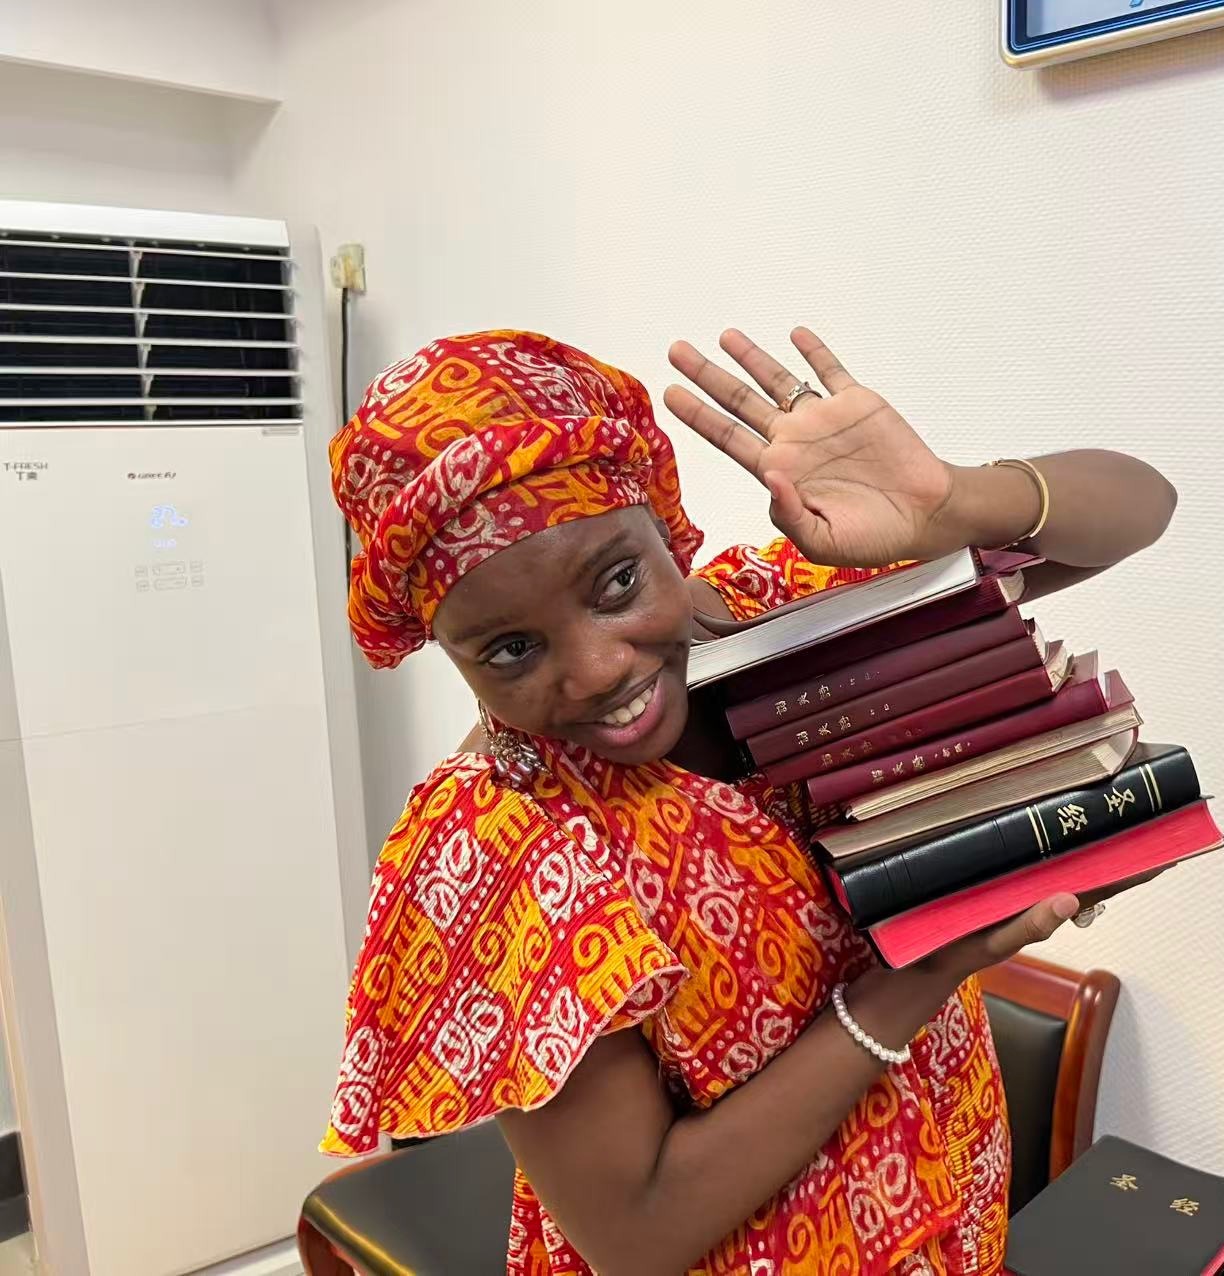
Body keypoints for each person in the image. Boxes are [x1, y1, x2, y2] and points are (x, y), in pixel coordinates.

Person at [322, 326, 1178, 1276]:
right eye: (511, 650)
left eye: (616, 582)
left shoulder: (785, 609)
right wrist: (923, 973)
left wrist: (950, 502)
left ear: (660, 520)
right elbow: (636, 1234)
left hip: (953, 1208)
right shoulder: (500, 843)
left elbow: (1141, 506)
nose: (598, 669)